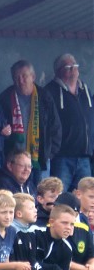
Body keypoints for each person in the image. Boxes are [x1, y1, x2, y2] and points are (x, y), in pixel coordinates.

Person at [0, 60, 61, 189]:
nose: (20, 81)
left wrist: (48, 153)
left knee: (42, 193)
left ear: (33, 77)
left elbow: (55, 128)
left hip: (40, 158)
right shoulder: (4, 98)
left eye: (24, 76)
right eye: (16, 77)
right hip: (15, 161)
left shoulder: (44, 97)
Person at [46, 54, 94, 191]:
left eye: (75, 67)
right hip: (62, 158)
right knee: (60, 197)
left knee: (87, 197)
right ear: (58, 71)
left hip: (84, 158)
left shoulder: (85, 90)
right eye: (69, 67)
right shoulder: (50, 92)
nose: (73, 70)